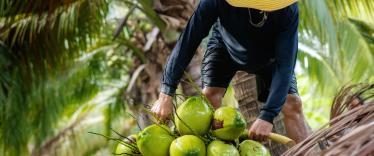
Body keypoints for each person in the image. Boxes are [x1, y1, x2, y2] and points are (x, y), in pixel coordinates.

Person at [151, 0, 309, 143]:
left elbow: (285, 66)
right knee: (209, 96)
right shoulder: (214, 2)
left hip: (271, 57)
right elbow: (188, 41)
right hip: (225, 48)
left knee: (292, 104)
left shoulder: (287, 9)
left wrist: (267, 116)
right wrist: (166, 93)